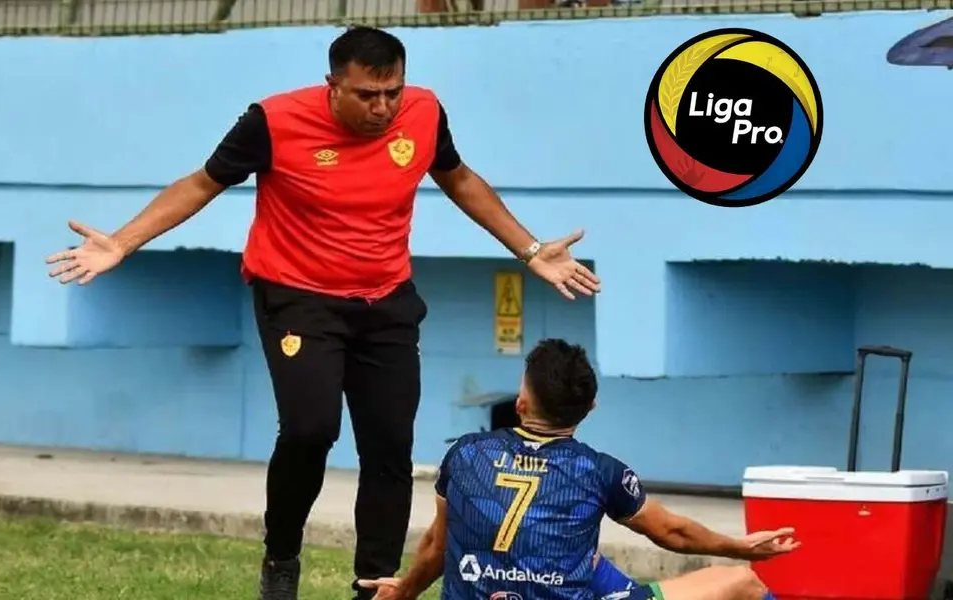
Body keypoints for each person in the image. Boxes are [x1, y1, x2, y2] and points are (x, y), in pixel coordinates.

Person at [46, 25, 601, 600]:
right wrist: (122, 242)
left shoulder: (425, 111)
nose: (383, 108)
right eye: (367, 95)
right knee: (311, 429)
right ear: (332, 85)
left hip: (385, 299)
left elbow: (457, 177)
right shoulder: (273, 121)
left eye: (393, 93)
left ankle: (375, 587)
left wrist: (530, 250)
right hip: (297, 296)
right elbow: (200, 184)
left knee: (389, 443)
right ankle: (281, 557)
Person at [356, 338, 799, 600]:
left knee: (584, 555)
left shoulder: (466, 454)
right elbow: (673, 534)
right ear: (591, 408)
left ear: (521, 404)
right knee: (741, 584)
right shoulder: (598, 471)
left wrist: (405, 592)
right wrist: (743, 549)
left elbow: (437, 543)